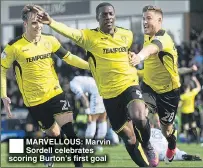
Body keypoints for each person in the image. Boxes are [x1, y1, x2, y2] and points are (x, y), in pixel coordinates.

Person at [34, 2, 158, 167]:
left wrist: (135, 57)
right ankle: (144, 165)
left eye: (110, 14)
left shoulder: (126, 34)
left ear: (114, 16)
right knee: (129, 138)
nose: (108, 17)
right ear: (97, 18)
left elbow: (127, 54)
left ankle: (147, 144)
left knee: (139, 116)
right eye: (104, 15)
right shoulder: (89, 37)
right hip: (108, 94)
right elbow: (70, 32)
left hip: (129, 84)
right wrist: (51, 22)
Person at [1, 5, 90, 167]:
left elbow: (69, 57)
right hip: (34, 100)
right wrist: (4, 95)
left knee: (70, 131)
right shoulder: (14, 46)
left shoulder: (50, 40)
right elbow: (2, 69)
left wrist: (89, 66)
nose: (39, 26)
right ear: (25, 24)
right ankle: (48, 152)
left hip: (55, 92)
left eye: (41, 22)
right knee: (54, 133)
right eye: (34, 22)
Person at [130, 5, 181, 163]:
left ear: (160, 20)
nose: (145, 21)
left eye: (149, 18)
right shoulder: (147, 34)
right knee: (139, 115)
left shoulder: (163, 38)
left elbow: (152, 48)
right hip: (149, 87)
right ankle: (147, 146)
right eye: (143, 18)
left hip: (168, 92)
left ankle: (171, 144)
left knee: (167, 131)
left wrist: (139, 57)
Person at [70, 76, 107, 151]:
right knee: (102, 119)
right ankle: (98, 144)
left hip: (96, 92)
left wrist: (88, 114)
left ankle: (87, 145)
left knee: (92, 120)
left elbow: (84, 99)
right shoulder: (77, 79)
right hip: (102, 88)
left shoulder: (72, 85)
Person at [179, 76, 201, 143]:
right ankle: (197, 139)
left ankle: (188, 140)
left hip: (184, 112)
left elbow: (179, 105)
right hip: (191, 112)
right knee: (194, 126)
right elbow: (199, 87)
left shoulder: (182, 96)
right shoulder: (192, 93)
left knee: (186, 127)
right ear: (188, 88)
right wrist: (195, 80)